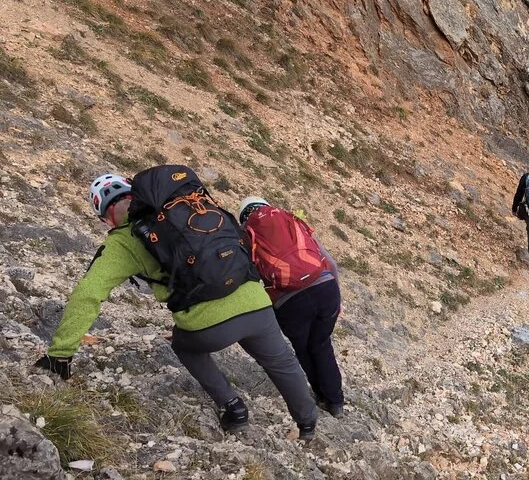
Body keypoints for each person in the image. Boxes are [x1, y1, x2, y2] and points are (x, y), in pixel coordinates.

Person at [36, 171, 319, 440]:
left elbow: (88, 294)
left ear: (106, 218)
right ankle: (307, 426)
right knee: (281, 360)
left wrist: (61, 353)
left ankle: (233, 408)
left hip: (208, 325)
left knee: (183, 345)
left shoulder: (123, 241)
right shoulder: (185, 209)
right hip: (255, 301)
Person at [239, 197, 345, 417]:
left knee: (303, 349)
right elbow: (330, 262)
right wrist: (337, 298)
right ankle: (336, 402)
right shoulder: (290, 220)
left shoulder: (247, 235)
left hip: (289, 303)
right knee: (322, 344)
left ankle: (322, 397)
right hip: (325, 289)